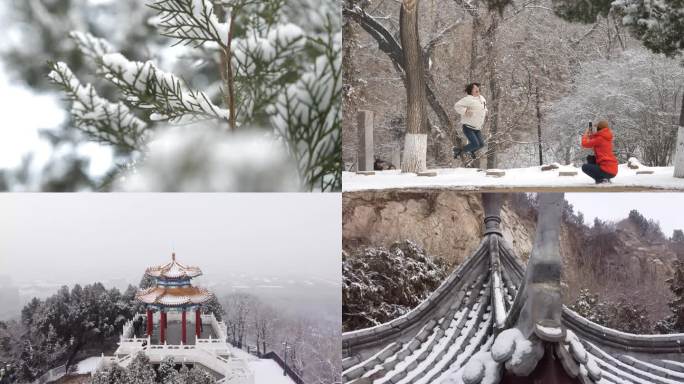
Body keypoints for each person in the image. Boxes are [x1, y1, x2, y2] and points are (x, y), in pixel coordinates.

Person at [453, 82, 488, 160]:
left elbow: (483, 108)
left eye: (477, 88)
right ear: (471, 91)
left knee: (481, 144)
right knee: (475, 144)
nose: (477, 89)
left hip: (477, 128)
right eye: (475, 88)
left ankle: (470, 151)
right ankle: (458, 151)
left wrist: (485, 112)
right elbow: (457, 106)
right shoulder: (468, 99)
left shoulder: (482, 98)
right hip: (468, 127)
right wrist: (465, 111)